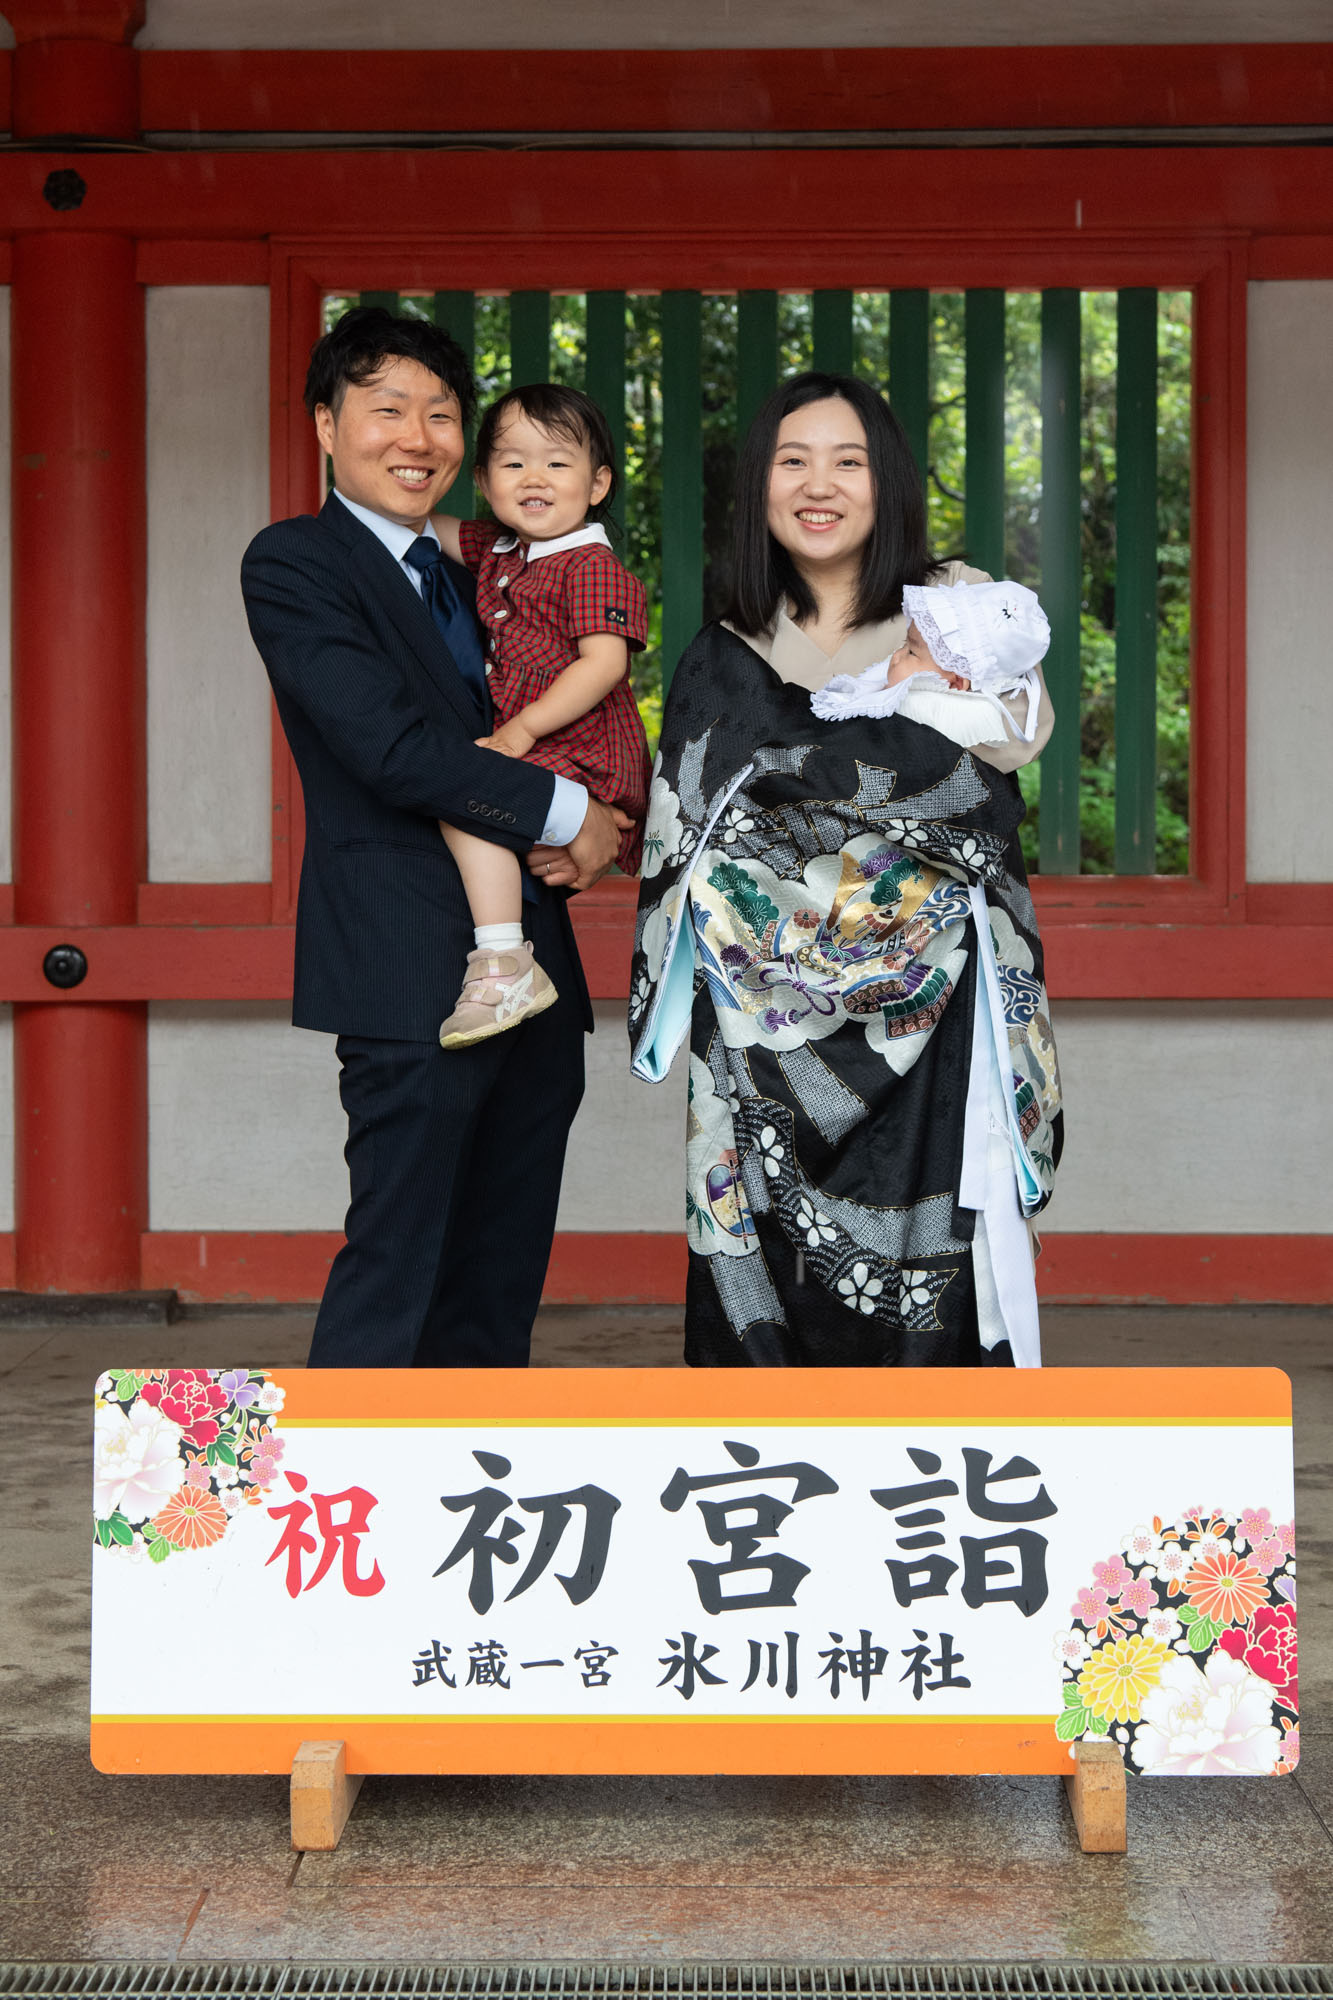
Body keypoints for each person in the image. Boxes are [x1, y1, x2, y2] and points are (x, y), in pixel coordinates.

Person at [629, 372, 1063, 1370]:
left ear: (889, 481)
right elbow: (690, 832)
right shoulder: (723, 649)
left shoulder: (951, 609)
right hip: (756, 1034)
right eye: (792, 460)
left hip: (936, 1007)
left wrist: (811, 785)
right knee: (765, 1268)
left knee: (937, 1262)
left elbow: (995, 769)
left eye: (847, 459)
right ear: (759, 486)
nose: (818, 483)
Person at [241, 305, 627, 1369]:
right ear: (325, 424)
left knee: (496, 1275)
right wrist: (566, 814)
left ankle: (470, 1509)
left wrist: (607, 829)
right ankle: (346, 1519)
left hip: (535, 965)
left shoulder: (489, 580)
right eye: (387, 408)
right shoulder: (295, 564)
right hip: (405, 967)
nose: (419, 437)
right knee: (397, 1257)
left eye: (443, 414)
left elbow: (580, 710)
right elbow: (394, 749)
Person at [431, 383, 651, 1048]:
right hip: (548, 746)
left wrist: (522, 729)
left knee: (466, 795)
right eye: (511, 462)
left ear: (597, 483)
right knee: (493, 819)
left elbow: (603, 665)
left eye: (557, 463)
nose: (534, 478)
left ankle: (503, 963)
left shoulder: (589, 564)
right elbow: (421, 525)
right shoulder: (502, 550)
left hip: (581, 745)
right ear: (484, 479)